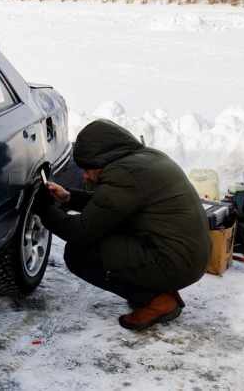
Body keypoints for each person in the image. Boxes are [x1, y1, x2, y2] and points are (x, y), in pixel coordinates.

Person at [32, 119, 212, 331]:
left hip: (175, 260)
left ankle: (156, 301)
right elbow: (111, 205)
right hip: (185, 254)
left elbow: (80, 232)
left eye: (88, 168)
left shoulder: (124, 175)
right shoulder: (145, 158)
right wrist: (69, 197)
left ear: (102, 159)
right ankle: (162, 290)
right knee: (105, 238)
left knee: (79, 254)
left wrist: (44, 209)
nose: (85, 175)